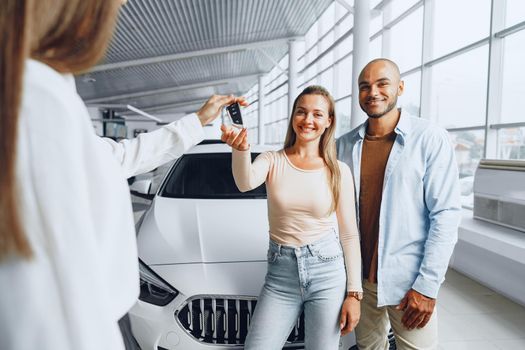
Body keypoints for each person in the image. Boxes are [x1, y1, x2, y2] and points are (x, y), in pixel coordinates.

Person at [0, 0, 246, 349]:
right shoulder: (36, 97)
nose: (123, 4)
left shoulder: (39, 88)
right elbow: (56, 303)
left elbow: (120, 157)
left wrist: (198, 120)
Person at [221, 85, 363, 350]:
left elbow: (349, 233)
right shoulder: (273, 160)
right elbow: (244, 182)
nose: (308, 120)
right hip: (281, 273)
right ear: (293, 117)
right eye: (301, 112)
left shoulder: (338, 171)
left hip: (327, 271)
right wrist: (240, 149)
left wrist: (354, 294)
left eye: (317, 114)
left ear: (329, 121)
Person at [336, 58, 461, 350]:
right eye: (365, 86)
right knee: (367, 348)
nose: (373, 92)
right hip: (358, 284)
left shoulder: (429, 139)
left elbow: (445, 215)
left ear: (400, 88)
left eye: (382, 84)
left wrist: (427, 287)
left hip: (408, 283)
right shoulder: (344, 145)